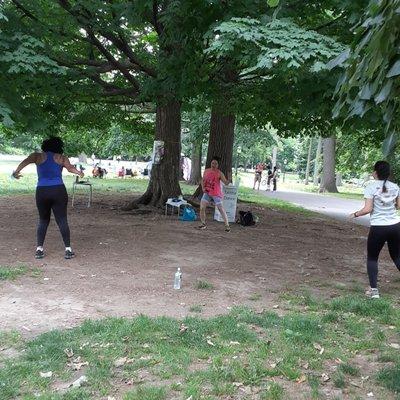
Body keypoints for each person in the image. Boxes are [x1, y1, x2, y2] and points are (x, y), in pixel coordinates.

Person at [12, 137, 84, 259]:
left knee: (43, 220)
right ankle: (68, 249)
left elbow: (25, 161)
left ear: (44, 145)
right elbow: (70, 168)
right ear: (59, 146)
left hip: (42, 191)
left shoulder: (37, 156)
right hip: (58, 191)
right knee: (62, 219)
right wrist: (79, 173)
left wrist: (16, 172)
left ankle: (39, 249)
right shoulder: (61, 157)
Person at [351, 161, 400, 299]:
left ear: (375, 173)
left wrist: (355, 214)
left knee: (372, 258)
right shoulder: (395, 187)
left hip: (378, 228)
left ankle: (374, 291)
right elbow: (398, 206)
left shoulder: (371, 187)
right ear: (388, 173)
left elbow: (368, 209)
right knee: (397, 256)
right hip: (395, 226)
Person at [199, 156, 231, 232]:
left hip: (216, 193)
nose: (213, 165)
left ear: (218, 165)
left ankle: (227, 226)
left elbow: (226, 183)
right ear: (210, 163)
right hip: (207, 192)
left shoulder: (219, 173)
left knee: (221, 208)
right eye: (212, 163)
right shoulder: (206, 171)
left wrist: (229, 179)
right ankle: (203, 224)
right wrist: (203, 188)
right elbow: (202, 180)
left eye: (215, 164)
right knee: (202, 208)